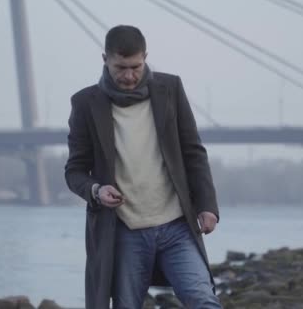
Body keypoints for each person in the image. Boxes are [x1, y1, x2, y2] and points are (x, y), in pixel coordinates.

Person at [65, 25, 221, 309]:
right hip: (123, 230)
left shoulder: (170, 89)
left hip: (177, 226)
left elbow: (193, 152)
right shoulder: (86, 103)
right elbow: (74, 171)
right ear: (105, 59)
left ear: (146, 57)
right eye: (120, 67)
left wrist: (207, 206)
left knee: (203, 301)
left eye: (136, 67)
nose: (128, 76)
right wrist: (96, 190)